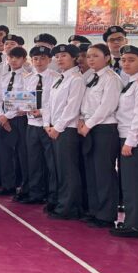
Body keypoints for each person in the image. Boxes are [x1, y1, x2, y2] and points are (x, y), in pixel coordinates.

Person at [78, 43, 121, 228]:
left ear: (107, 58)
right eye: (88, 56)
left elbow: (107, 106)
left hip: (104, 128)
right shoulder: (91, 77)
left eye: (95, 56)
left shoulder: (111, 78)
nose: (90, 59)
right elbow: (85, 102)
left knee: (104, 172)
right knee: (92, 171)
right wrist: (81, 120)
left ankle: (106, 215)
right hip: (88, 127)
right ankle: (94, 210)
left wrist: (88, 124)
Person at [43, 44, 86, 219]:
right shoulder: (59, 78)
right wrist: (47, 124)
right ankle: (59, 202)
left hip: (66, 129)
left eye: (64, 56)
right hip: (54, 128)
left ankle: (69, 208)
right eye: (57, 56)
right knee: (58, 169)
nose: (59, 59)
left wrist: (58, 127)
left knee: (68, 170)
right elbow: (48, 103)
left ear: (74, 57)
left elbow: (72, 107)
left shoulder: (76, 79)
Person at [111, 45, 138, 238]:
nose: (126, 63)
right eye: (124, 60)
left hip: (135, 138)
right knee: (130, 181)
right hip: (127, 135)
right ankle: (135, 221)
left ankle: (135, 224)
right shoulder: (131, 82)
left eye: (132, 60)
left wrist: (131, 142)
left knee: (134, 182)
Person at [22, 46, 58, 205]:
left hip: (48, 125)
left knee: (51, 162)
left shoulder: (56, 77)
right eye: (35, 59)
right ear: (31, 61)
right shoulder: (28, 78)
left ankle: (52, 196)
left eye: (43, 58)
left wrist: (42, 112)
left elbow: (55, 102)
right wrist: (24, 108)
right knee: (34, 161)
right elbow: (24, 100)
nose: (39, 62)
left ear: (49, 60)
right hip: (31, 124)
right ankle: (35, 193)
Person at [0, 46, 29, 198]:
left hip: (20, 119)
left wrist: (7, 115)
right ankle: (8, 185)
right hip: (3, 119)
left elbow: (25, 99)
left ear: (24, 60)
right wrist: (1, 115)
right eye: (11, 57)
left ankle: (25, 187)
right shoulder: (5, 77)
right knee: (5, 153)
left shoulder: (28, 77)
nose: (13, 60)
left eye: (17, 58)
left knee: (22, 154)